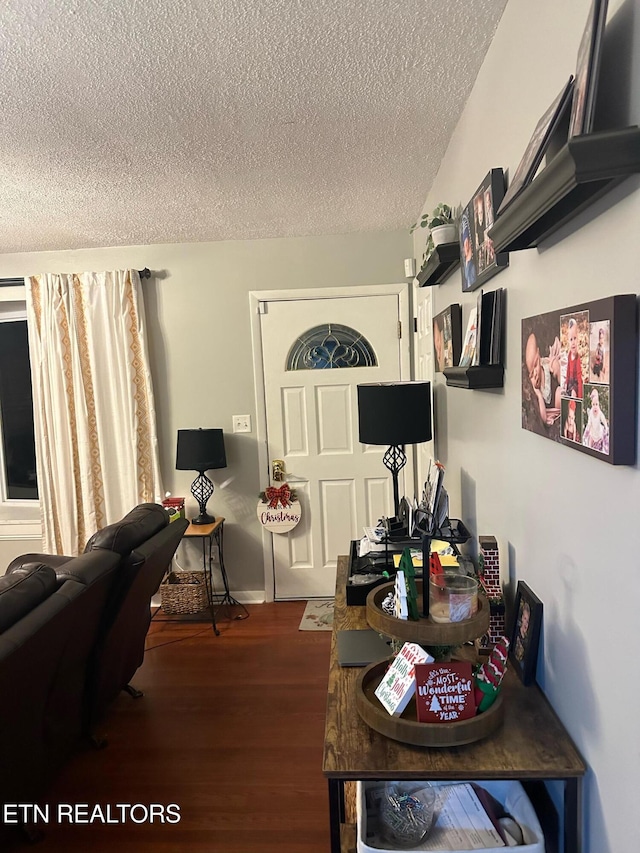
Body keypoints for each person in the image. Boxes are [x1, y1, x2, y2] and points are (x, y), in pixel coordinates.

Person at [525, 331, 562, 423]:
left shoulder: (542, 362)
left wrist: (552, 365)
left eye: (535, 365)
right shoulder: (536, 383)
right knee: (560, 393)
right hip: (553, 400)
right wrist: (538, 394)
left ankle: (566, 382)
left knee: (556, 364)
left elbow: (548, 362)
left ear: (538, 353)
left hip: (554, 382)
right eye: (531, 372)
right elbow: (544, 418)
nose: (535, 372)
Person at [583, 387, 609, 452]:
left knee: (602, 439)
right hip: (592, 432)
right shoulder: (591, 413)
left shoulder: (599, 413)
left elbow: (603, 419)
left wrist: (606, 426)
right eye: (593, 405)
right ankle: (589, 450)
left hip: (598, 432)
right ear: (592, 405)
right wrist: (587, 430)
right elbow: (589, 423)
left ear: (598, 404)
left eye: (596, 404)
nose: (595, 407)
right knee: (590, 440)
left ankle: (601, 448)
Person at [564, 317, 583, 398]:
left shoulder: (577, 358)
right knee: (565, 391)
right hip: (570, 382)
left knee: (573, 393)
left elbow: (579, 378)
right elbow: (568, 371)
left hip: (575, 383)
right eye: (571, 340)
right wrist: (566, 383)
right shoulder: (569, 355)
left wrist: (580, 396)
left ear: (578, 340)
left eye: (575, 338)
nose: (573, 343)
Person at [461, 213, 476, 290]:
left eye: (467, 242)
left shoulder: (473, 267)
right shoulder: (467, 265)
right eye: (464, 243)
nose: (466, 246)